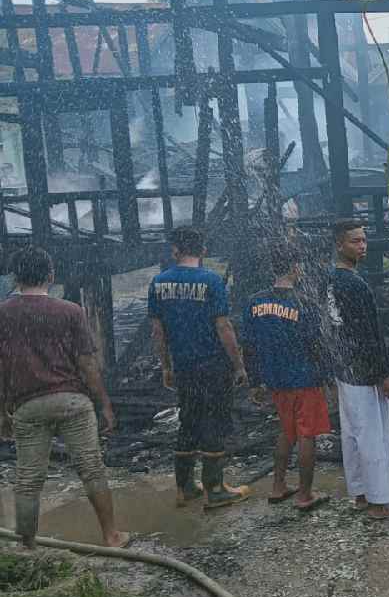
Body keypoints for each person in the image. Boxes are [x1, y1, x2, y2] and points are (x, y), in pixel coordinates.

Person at [0, 247, 129, 548]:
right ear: (51, 275)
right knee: (91, 468)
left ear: (15, 277)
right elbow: (87, 364)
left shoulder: (3, 314)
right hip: (72, 401)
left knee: (29, 479)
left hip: (28, 406)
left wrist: (1, 413)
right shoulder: (71, 311)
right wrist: (104, 405)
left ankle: (26, 546)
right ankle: (111, 536)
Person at [149, 226, 251, 510]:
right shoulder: (212, 282)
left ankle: (184, 488)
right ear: (203, 250)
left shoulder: (158, 283)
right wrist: (238, 364)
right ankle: (215, 489)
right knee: (214, 422)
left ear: (174, 251)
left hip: (183, 366)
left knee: (189, 420)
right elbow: (223, 326)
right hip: (213, 365)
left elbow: (157, 331)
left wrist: (166, 366)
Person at [242, 244, 332, 512]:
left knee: (286, 431)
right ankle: (305, 494)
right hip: (304, 378)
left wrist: (255, 381)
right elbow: (318, 345)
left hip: (275, 379)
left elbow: (249, 345)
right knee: (307, 435)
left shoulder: (255, 302)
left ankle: (278, 486)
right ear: (295, 267)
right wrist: (327, 378)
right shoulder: (305, 303)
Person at [326, 220, 389, 520]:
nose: (363, 246)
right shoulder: (355, 285)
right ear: (340, 245)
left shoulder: (331, 279)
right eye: (355, 241)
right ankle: (380, 502)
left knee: (352, 434)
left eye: (364, 240)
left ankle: (359, 493)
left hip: (345, 368)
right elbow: (368, 334)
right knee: (373, 436)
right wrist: (384, 373)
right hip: (363, 370)